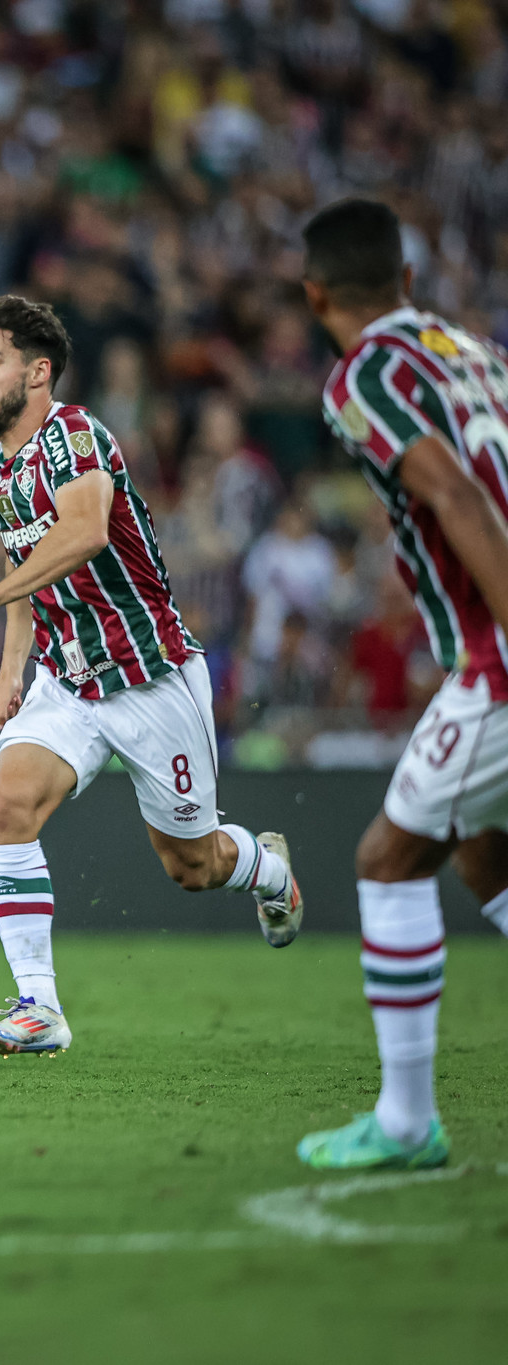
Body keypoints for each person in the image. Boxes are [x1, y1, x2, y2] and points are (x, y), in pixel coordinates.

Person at [0, 295, 303, 1057]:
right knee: (7, 804)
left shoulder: (77, 436)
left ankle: (267, 869)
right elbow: (24, 561)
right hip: (68, 682)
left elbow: (84, 531)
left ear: (38, 372)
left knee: (192, 865)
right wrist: (11, 669)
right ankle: (39, 1006)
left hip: (150, 678)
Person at [295, 198, 508, 1170]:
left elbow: (453, 495)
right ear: (406, 280)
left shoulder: (361, 376)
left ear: (312, 295)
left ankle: (404, 1122)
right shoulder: (469, 352)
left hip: (496, 660)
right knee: (477, 855)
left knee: (387, 861)